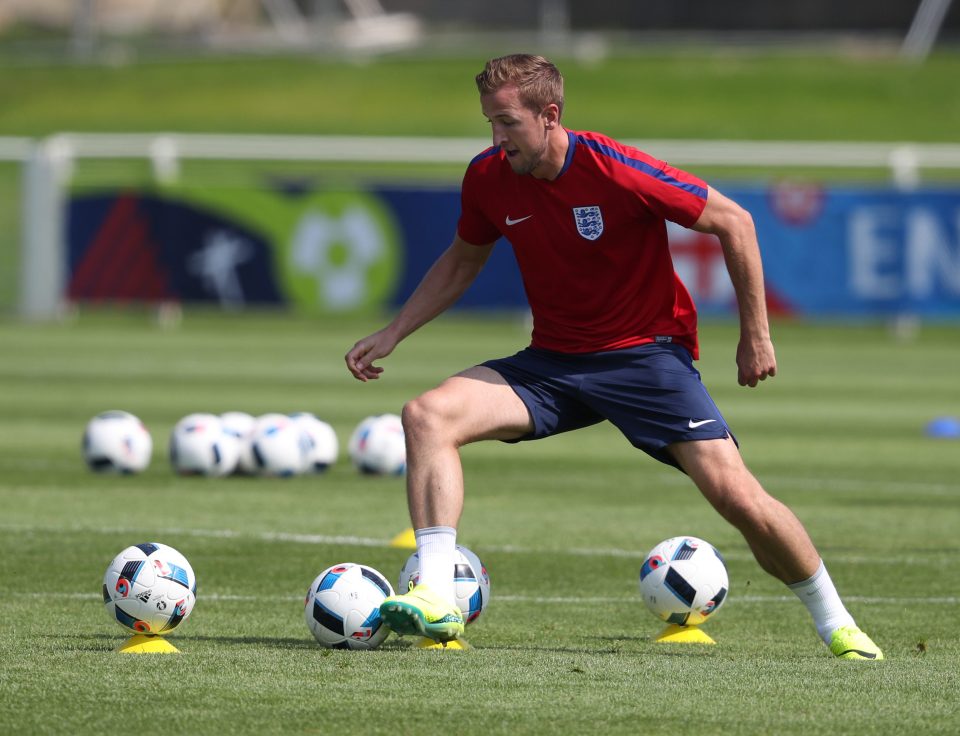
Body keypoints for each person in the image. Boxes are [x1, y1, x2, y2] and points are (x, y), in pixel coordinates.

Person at [345, 53, 882, 660]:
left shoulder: (614, 167)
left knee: (738, 497)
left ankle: (836, 622)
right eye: (489, 123)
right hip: (551, 364)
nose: (496, 139)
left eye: (507, 123)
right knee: (426, 415)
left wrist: (755, 335)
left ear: (550, 116)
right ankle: (436, 595)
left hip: (643, 361)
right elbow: (463, 260)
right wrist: (394, 332)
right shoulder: (489, 176)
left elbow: (736, 221)